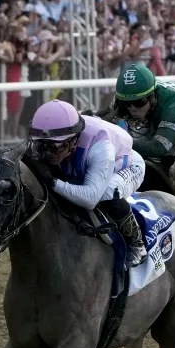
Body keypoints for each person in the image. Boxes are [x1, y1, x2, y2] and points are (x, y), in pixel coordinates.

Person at [26, 100, 149, 267]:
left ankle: (136, 243)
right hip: (86, 163)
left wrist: (53, 182)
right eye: (43, 145)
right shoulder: (49, 138)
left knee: (106, 194)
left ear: (73, 140)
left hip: (125, 165)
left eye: (55, 147)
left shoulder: (101, 147)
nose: (48, 153)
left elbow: (90, 199)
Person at [109, 61, 175, 168]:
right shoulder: (128, 94)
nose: (133, 109)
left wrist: (122, 142)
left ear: (152, 97)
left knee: (169, 159)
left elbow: (159, 148)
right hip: (158, 116)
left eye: (139, 103)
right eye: (126, 103)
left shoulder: (172, 106)